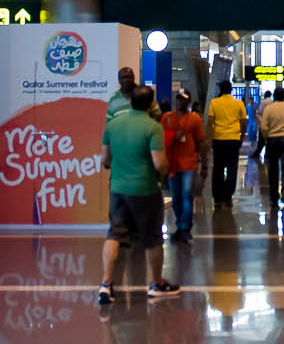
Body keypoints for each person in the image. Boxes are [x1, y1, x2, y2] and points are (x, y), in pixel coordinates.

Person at [98, 86, 178, 304]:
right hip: (145, 189)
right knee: (152, 238)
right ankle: (157, 283)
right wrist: (163, 174)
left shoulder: (112, 125)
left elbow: (105, 160)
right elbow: (159, 163)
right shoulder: (153, 127)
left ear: (131, 101)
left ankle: (106, 284)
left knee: (115, 234)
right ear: (151, 105)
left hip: (117, 189)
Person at [163, 90, 208, 244]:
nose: (181, 102)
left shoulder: (194, 119)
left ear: (189, 102)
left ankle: (184, 228)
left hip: (189, 163)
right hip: (172, 165)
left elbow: (201, 142)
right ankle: (180, 226)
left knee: (187, 195)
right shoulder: (167, 118)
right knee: (176, 198)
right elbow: (160, 139)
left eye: (184, 100)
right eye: (179, 99)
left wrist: (205, 164)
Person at [207, 79, 246, 207]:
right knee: (232, 167)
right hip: (233, 139)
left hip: (218, 139)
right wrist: (241, 137)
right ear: (231, 90)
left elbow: (210, 122)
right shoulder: (239, 103)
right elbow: (243, 122)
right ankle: (228, 194)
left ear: (220, 90)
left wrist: (209, 139)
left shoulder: (214, 102)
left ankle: (217, 195)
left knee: (218, 167)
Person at [260, 85, 284, 210]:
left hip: (273, 141)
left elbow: (264, 127)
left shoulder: (269, 109)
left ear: (274, 96)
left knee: (273, 170)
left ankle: (274, 197)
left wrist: (267, 138)